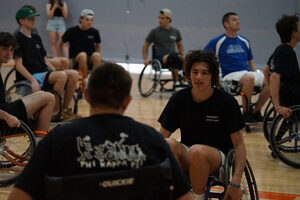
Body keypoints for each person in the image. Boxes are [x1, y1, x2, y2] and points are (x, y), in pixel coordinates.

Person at [8, 62, 193, 200]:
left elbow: (18, 196)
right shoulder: (152, 140)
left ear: (87, 96)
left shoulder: (57, 139)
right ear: (127, 101)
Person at [158, 50, 246, 200]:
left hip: (218, 158)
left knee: (197, 151)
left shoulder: (226, 102)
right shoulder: (179, 99)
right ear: (188, 74)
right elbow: (160, 137)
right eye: (195, 72)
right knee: (167, 144)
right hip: (189, 153)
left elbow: (239, 144)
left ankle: (197, 198)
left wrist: (236, 181)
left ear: (212, 76)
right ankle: (178, 193)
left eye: (204, 72)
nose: (199, 77)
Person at [14, 7, 79, 120]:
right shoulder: (18, 38)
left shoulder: (36, 37)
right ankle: (54, 113)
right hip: (33, 75)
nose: (34, 20)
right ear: (21, 21)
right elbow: (18, 65)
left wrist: (55, 71)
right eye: (30, 18)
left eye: (34, 18)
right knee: (61, 75)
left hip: (44, 73)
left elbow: (45, 59)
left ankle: (63, 110)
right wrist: (33, 80)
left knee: (73, 74)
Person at [204, 12, 269, 122]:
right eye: (234, 20)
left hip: (247, 72)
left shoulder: (244, 41)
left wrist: (259, 75)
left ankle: (256, 111)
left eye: (238, 19)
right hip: (229, 75)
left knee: (270, 78)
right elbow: (205, 57)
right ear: (226, 24)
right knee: (249, 78)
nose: (238, 22)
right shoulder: (217, 41)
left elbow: (250, 62)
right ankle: (245, 114)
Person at [0, 32, 55, 133]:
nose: (9, 53)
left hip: (5, 110)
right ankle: (40, 142)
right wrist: (7, 117)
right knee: (49, 98)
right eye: (5, 49)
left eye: (11, 50)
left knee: (42, 94)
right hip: (4, 117)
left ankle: (39, 137)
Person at [14, 5, 70, 70]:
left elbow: (40, 49)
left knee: (65, 61)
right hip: (32, 62)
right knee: (57, 63)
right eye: (31, 17)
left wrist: (48, 57)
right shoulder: (18, 35)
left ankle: (63, 77)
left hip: (41, 58)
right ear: (22, 20)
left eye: (34, 17)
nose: (34, 19)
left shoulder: (34, 32)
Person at [142, 8, 187, 87]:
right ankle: (176, 82)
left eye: (162, 18)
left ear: (169, 19)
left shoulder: (175, 31)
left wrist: (182, 54)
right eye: (159, 18)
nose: (160, 20)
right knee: (173, 58)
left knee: (186, 58)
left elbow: (179, 44)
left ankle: (185, 80)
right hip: (161, 56)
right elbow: (145, 45)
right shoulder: (154, 32)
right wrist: (145, 58)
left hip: (174, 54)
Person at [268, 14, 300, 118]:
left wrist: (273, 95)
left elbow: (266, 71)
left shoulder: (280, 49)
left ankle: (279, 135)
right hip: (293, 96)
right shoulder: (288, 52)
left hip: (287, 94)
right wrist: (277, 105)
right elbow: (274, 76)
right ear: (294, 33)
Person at [58, 9, 101, 79]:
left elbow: (98, 46)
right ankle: (85, 80)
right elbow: (59, 43)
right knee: (82, 55)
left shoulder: (95, 32)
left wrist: (98, 54)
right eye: (87, 20)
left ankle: (95, 79)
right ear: (81, 19)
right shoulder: (72, 31)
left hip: (89, 57)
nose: (89, 22)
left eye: (91, 20)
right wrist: (60, 58)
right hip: (75, 58)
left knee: (97, 55)